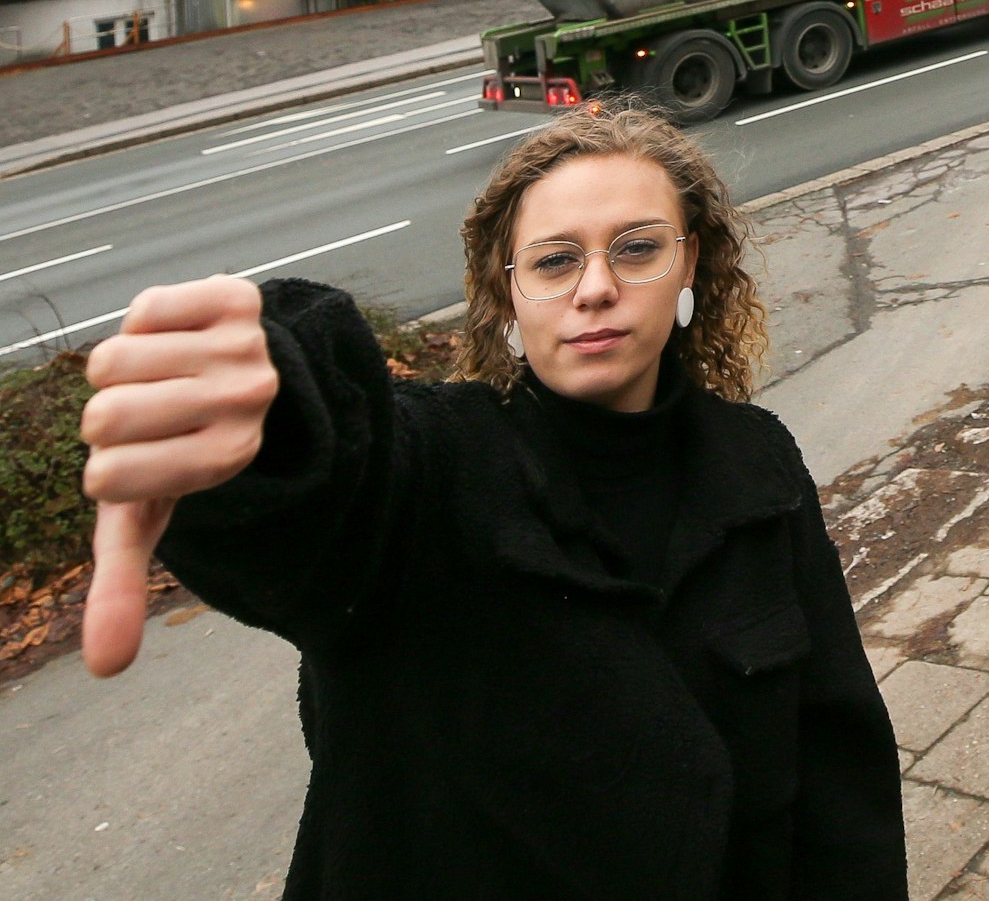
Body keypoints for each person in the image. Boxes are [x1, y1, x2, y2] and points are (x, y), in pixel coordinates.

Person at [79, 101, 906, 901]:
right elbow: (335, 485)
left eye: (637, 249)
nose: (595, 288)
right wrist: (267, 416)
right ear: (506, 293)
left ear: (690, 266)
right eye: (553, 261)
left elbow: (839, 774)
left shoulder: (759, 464)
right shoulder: (434, 470)